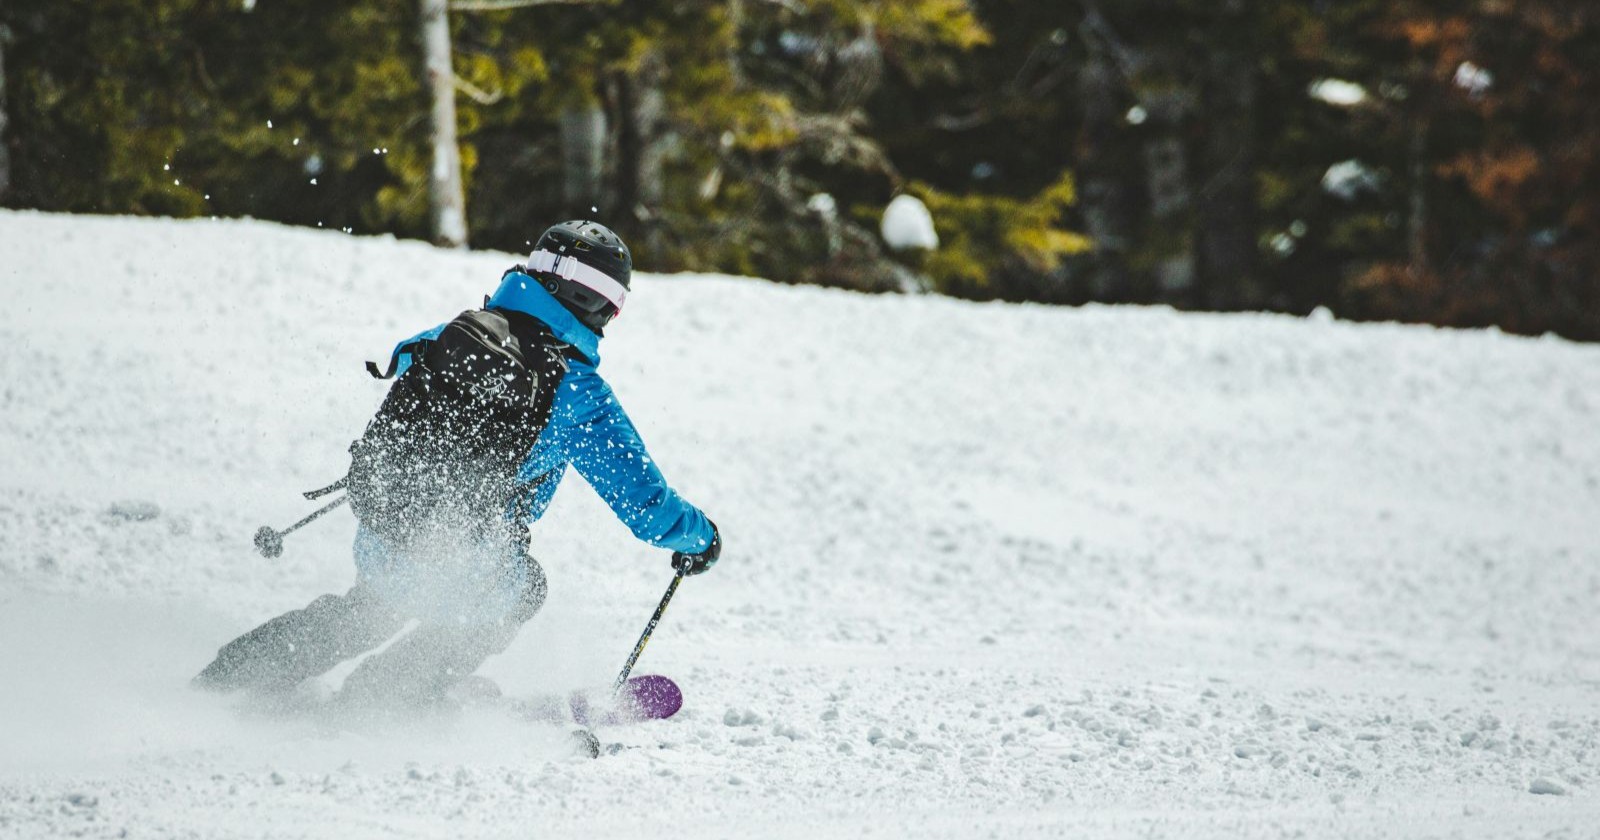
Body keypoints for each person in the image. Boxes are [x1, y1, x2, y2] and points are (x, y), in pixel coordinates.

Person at [194, 220, 721, 710]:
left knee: (369, 611)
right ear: (599, 307)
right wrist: (701, 538)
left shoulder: (460, 331)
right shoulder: (576, 392)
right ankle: (385, 697)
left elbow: (402, 357)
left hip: (386, 523)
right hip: (463, 554)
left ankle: (231, 674)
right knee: (523, 589)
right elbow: (648, 509)